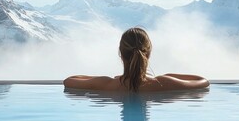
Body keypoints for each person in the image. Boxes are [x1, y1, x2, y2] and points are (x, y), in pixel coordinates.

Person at [63, 27, 210, 92]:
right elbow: (202, 81)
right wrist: (167, 76)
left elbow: (69, 80)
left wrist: (107, 79)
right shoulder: (162, 83)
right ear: (148, 54)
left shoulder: (106, 84)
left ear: (121, 54)